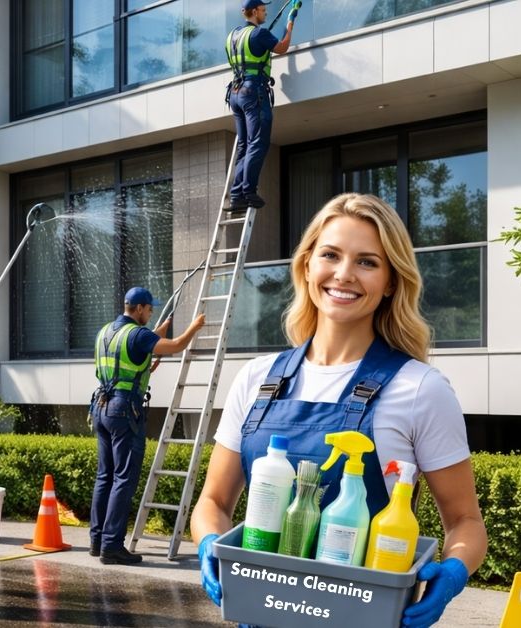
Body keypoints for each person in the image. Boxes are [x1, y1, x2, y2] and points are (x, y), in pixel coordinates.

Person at [190, 194, 487, 627]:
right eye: (330, 255)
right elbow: (213, 501)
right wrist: (210, 543)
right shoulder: (257, 378)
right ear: (307, 265)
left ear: (390, 281)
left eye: (367, 262)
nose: (344, 274)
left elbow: (465, 521)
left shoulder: (421, 388)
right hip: (262, 614)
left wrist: (455, 569)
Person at [90, 286, 205, 565]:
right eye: (149, 309)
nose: (151, 313)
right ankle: (112, 546)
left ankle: (97, 541)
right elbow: (176, 346)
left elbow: (132, 356)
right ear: (139, 308)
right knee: (123, 478)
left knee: (105, 475)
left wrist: (157, 333)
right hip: (124, 410)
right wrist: (194, 327)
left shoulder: (106, 331)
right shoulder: (139, 335)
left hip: (100, 407)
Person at [225, 0, 298, 211]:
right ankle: (248, 191)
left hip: (236, 94)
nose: (266, 14)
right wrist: (290, 20)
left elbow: (251, 56)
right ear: (254, 11)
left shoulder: (232, 37)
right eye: (264, 10)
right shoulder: (259, 34)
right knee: (258, 142)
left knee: (245, 145)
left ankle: (237, 196)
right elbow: (282, 47)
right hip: (253, 92)